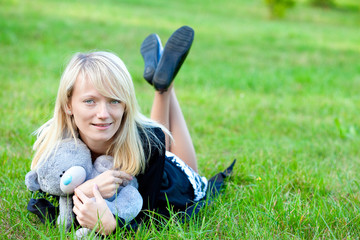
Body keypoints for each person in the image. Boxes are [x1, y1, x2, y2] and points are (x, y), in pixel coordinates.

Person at [27, 26, 234, 236]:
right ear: (68, 105)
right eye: (90, 101)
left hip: (166, 178)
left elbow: (149, 218)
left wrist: (112, 225)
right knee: (153, 137)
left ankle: (165, 87)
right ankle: (164, 86)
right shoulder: (57, 142)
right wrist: (86, 189)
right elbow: (49, 187)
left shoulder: (148, 144)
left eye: (114, 100)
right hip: (145, 145)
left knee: (192, 175)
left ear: (126, 104)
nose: (103, 114)